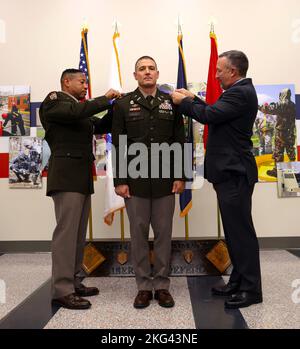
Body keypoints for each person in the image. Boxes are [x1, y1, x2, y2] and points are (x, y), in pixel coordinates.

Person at [171, 50, 262, 309]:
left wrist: (183, 102)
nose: (216, 74)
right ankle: (237, 280)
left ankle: (251, 289)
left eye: (219, 70)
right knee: (233, 233)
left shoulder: (240, 92)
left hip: (235, 174)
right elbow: (215, 110)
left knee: (241, 233)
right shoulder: (237, 92)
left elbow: (209, 115)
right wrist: (194, 97)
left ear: (233, 71)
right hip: (230, 174)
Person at [39, 68, 120, 310]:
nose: (86, 86)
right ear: (67, 82)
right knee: (66, 234)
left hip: (81, 177)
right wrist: (105, 98)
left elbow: (100, 125)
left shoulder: (78, 111)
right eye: (82, 82)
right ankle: (61, 290)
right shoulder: (56, 102)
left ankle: (73, 281)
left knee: (77, 235)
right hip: (65, 177)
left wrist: (116, 106)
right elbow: (76, 112)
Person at [112, 56, 186, 309]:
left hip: (166, 181)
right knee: (139, 235)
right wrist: (120, 180)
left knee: (164, 235)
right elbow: (118, 144)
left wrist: (181, 175)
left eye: (151, 68)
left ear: (157, 73)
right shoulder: (122, 104)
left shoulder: (171, 102)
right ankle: (144, 286)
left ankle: (162, 286)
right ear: (135, 75)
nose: (147, 72)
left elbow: (180, 139)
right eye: (142, 69)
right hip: (135, 182)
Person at [259, 88, 296, 177]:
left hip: (281, 134)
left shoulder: (281, 105)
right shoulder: (294, 105)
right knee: (290, 151)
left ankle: (277, 171)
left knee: (278, 152)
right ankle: (294, 170)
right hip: (290, 133)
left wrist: (257, 106)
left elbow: (267, 109)